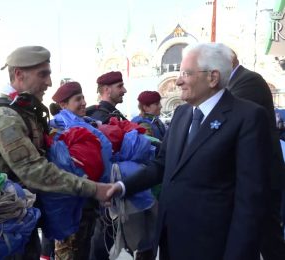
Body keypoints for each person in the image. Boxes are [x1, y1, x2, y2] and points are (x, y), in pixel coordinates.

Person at [106, 42, 272, 260]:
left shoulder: (247, 117)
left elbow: (251, 200)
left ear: (212, 77)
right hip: (171, 241)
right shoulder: (182, 114)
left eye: (186, 73)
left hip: (213, 246)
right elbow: (163, 165)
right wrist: (121, 186)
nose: (178, 80)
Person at [0, 46, 111, 260]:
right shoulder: (4, 117)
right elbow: (34, 171)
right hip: (3, 229)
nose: (49, 82)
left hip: (21, 220)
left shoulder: (25, 112)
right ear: (19, 74)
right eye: (43, 74)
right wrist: (94, 189)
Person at [228, 50, 285, 260]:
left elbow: (227, 112)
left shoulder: (248, 80)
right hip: (253, 174)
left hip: (263, 175)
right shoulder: (237, 81)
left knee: (269, 236)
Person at [47, 81, 110, 260]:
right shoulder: (56, 127)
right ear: (63, 105)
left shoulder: (87, 123)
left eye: (83, 97)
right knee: (69, 252)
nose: (83, 102)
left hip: (89, 200)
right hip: (70, 203)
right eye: (77, 99)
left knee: (83, 248)